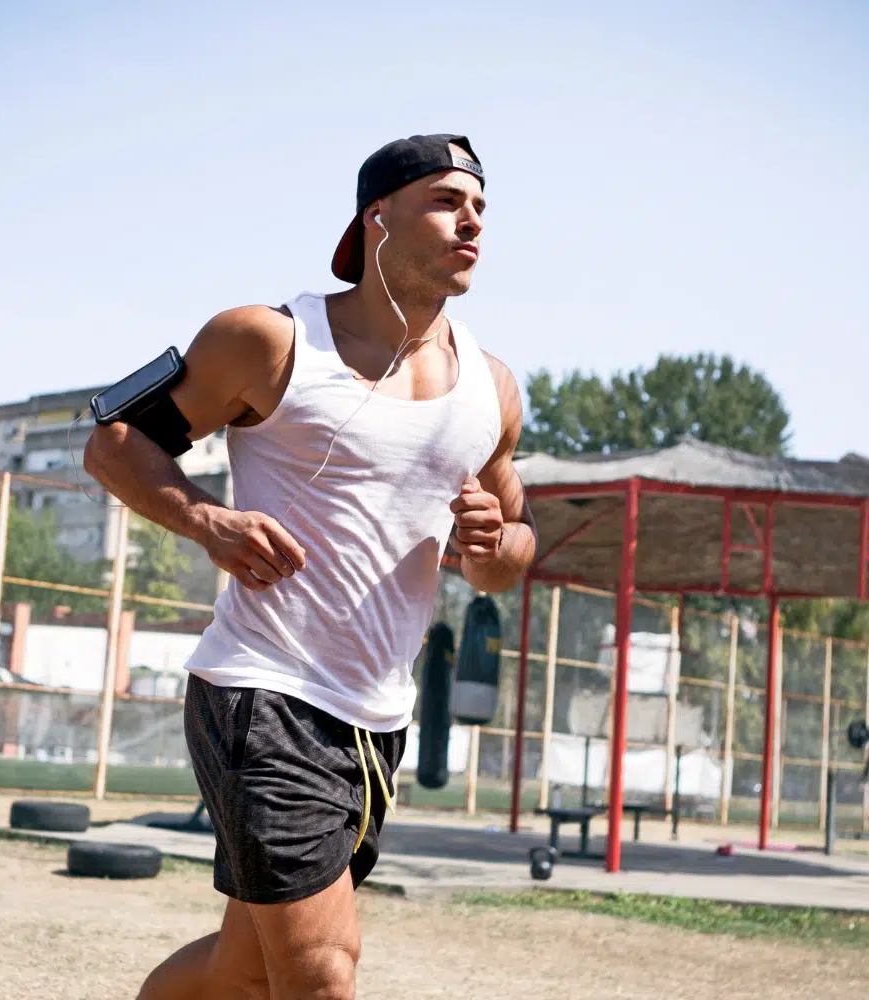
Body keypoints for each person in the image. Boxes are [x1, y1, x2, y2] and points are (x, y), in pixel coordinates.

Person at [84, 132, 537, 1000]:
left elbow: (511, 550)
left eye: (480, 206)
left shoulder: (493, 389)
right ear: (377, 218)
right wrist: (205, 518)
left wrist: (495, 546)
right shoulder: (270, 341)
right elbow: (113, 442)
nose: (471, 219)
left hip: (376, 720)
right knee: (323, 973)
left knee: (242, 974)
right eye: (445, 200)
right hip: (262, 691)